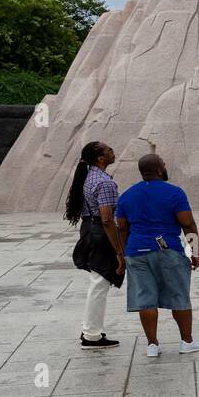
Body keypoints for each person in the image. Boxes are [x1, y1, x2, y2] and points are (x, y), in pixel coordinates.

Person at [115, 153, 199, 357]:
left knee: (145, 299)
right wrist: (195, 250)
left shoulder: (127, 195)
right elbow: (187, 223)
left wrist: (121, 255)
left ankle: (152, 345)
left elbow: (121, 228)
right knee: (179, 295)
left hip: (136, 251)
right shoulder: (174, 193)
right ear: (159, 169)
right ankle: (186, 341)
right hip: (168, 250)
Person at [65, 140, 124, 350]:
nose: (112, 151)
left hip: (89, 228)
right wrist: (119, 250)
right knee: (99, 282)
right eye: (109, 150)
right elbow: (107, 218)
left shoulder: (89, 176)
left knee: (98, 281)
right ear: (100, 158)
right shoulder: (104, 182)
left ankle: (90, 330)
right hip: (100, 232)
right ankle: (91, 335)